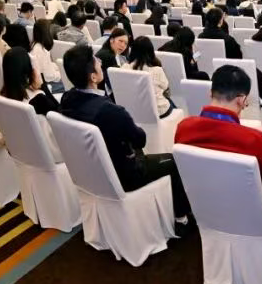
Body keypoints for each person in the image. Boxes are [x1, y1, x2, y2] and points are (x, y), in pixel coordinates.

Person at [60, 44, 189, 228]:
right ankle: (181, 218)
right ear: (93, 77)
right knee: (173, 161)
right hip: (123, 174)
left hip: (90, 172)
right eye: (95, 61)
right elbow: (140, 139)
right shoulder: (111, 112)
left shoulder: (67, 100)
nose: (100, 61)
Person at [175, 64, 262, 235]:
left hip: (207, 209)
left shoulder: (184, 128)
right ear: (241, 100)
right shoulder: (252, 139)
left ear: (210, 93)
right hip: (253, 216)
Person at [124, 37, 175, 118]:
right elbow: (165, 86)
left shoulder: (125, 68)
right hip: (159, 111)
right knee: (169, 101)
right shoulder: (157, 70)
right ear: (151, 51)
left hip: (135, 111)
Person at [0, 47, 59, 115]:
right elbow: (59, 114)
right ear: (28, 68)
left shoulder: (0, 97)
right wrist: (43, 86)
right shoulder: (39, 99)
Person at [29, 19, 61, 89]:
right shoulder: (41, 50)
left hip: (43, 81)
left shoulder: (35, 45)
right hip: (47, 84)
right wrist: (61, 74)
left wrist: (58, 68)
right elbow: (49, 76)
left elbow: (46, 67)